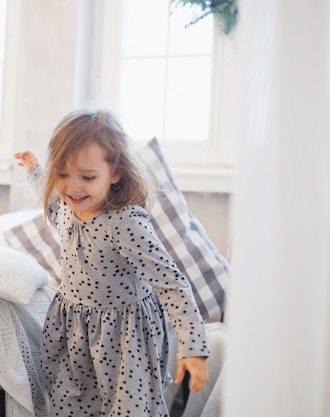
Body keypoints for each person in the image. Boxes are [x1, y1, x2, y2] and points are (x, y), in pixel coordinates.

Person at [15, 109, 209, 417]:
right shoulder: (65, 208)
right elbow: (51, 203)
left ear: (116, 172)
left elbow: (170, 282)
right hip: (75, 329)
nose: (73, 188)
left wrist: (193, 347)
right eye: (63, 174)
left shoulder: (125, 223)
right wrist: (37, 172)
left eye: (88, 177)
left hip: (125, 335)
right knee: (72, 405)